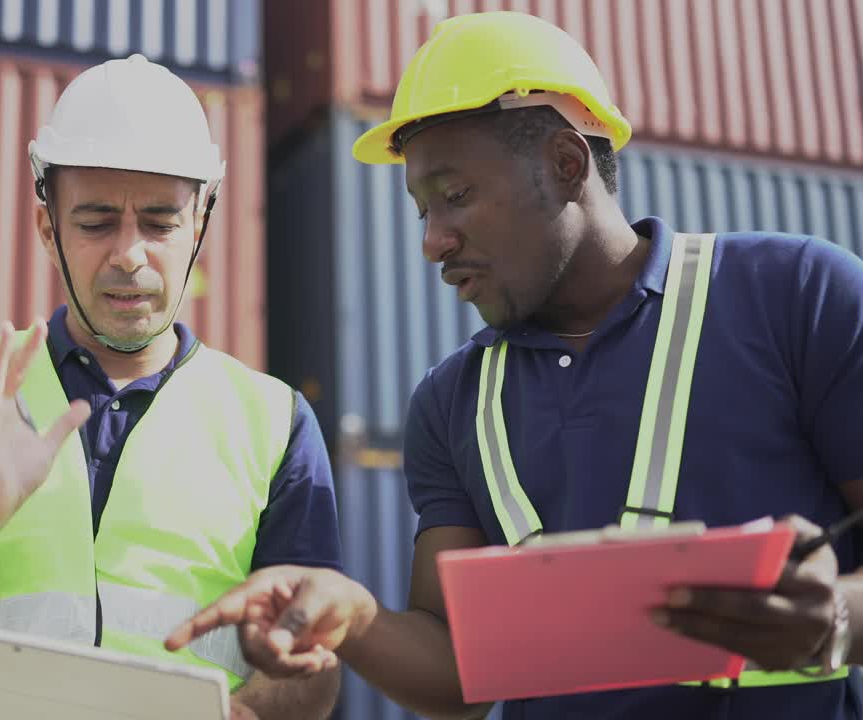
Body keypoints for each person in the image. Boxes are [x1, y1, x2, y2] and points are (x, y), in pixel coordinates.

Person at [166, 11, 863, 719]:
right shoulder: (450, 404)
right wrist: (354, 618)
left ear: (566, 164)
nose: (433, 242)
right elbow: (458, 674)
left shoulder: (798, 296)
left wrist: (836, 617)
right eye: (420, 211)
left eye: (456, 196)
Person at [0, 54, 342, 720]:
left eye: (160, 222)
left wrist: (248, 715)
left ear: (200, 224)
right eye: (94, 222)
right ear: (47, 228)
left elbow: (315, 672)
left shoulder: (274, 421)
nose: (129, 254)